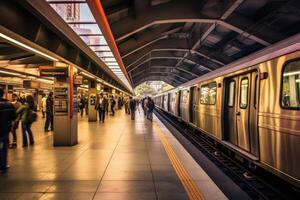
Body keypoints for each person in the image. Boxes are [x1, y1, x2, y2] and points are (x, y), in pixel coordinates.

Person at [0, 88, 16, 173]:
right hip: (4, 129)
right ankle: (3, 166)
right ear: (3, 94)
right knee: (3, 148)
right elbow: (13, 117)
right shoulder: (9, 104)